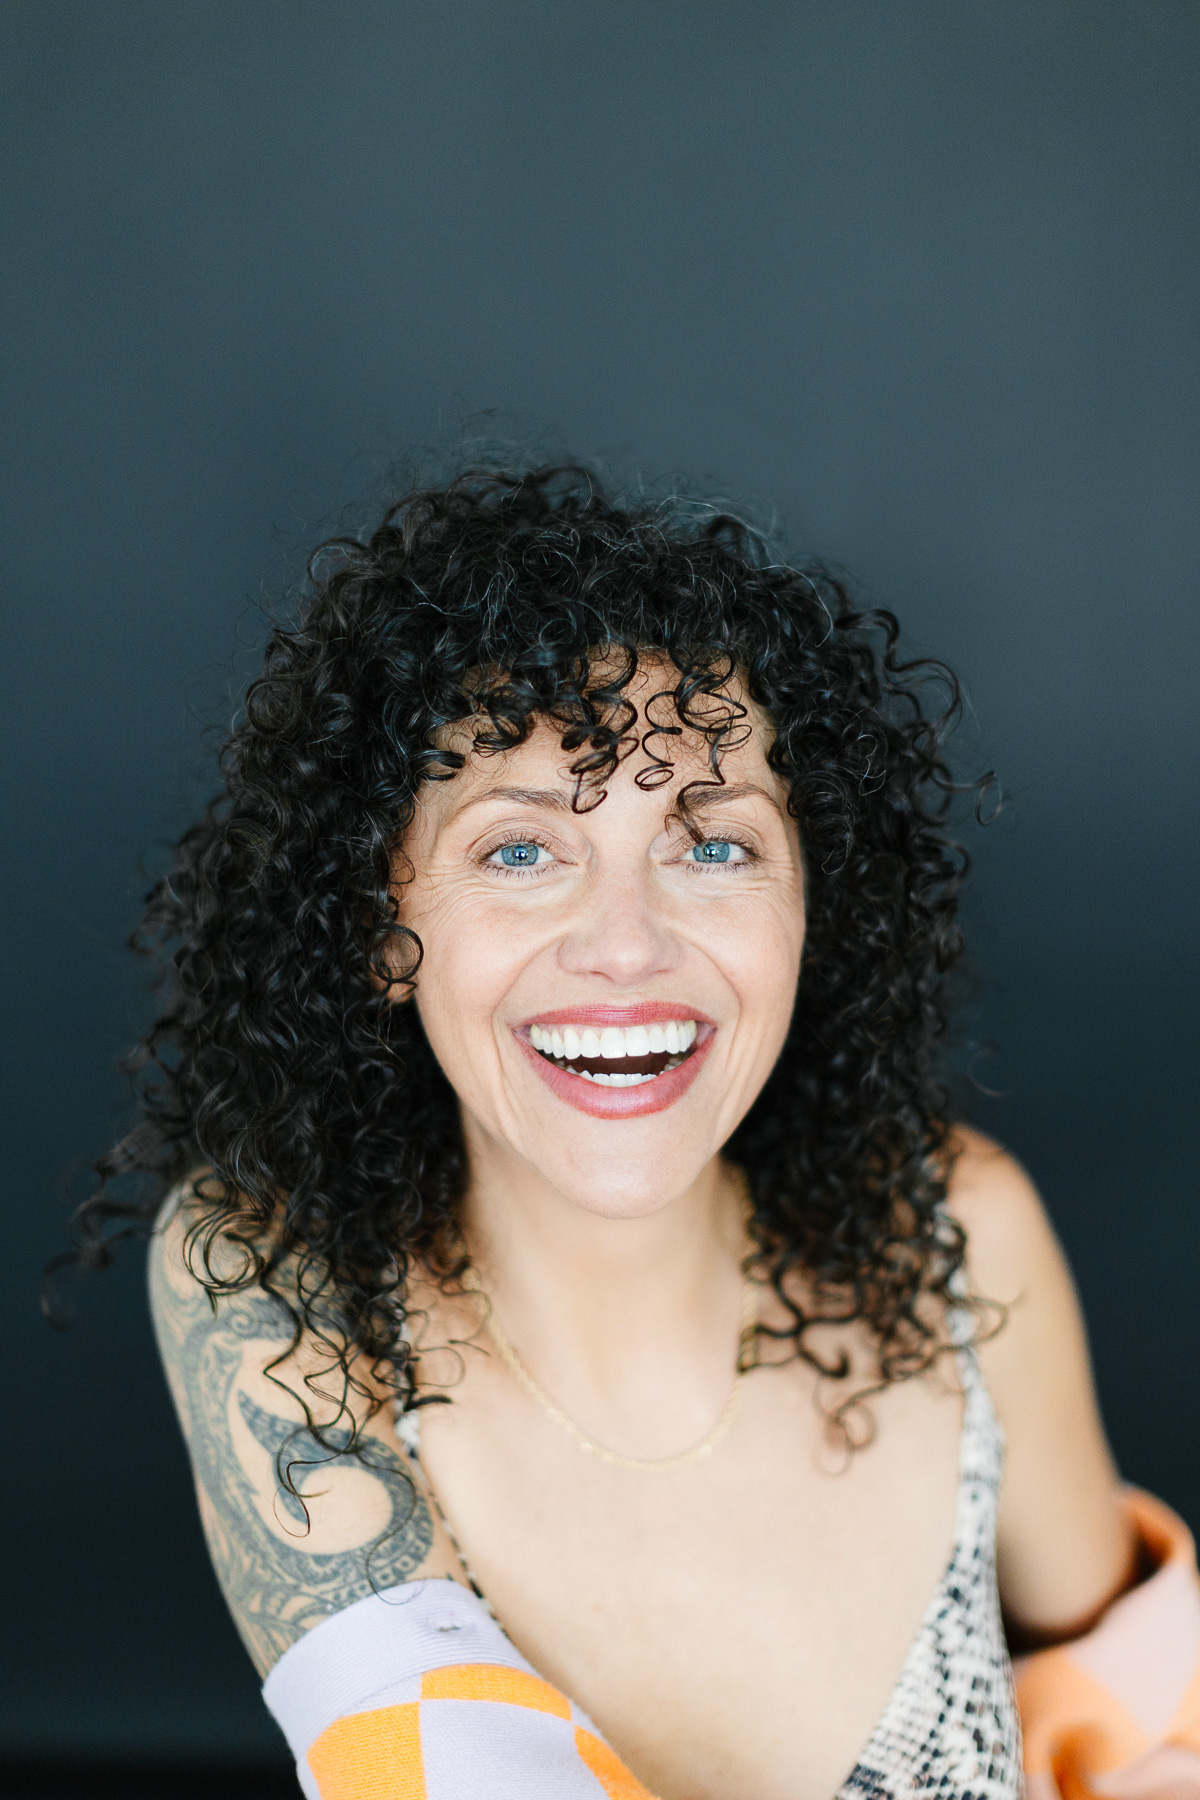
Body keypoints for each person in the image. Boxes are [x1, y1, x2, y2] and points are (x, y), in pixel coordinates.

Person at [79, 465, 1200, 1800]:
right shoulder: (277, 1279)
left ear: (810, 905)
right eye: (519, 851)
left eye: (712, 846)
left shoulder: (958, 1231)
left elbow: (1143, 1725)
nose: (627, 946)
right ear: (382, 928)